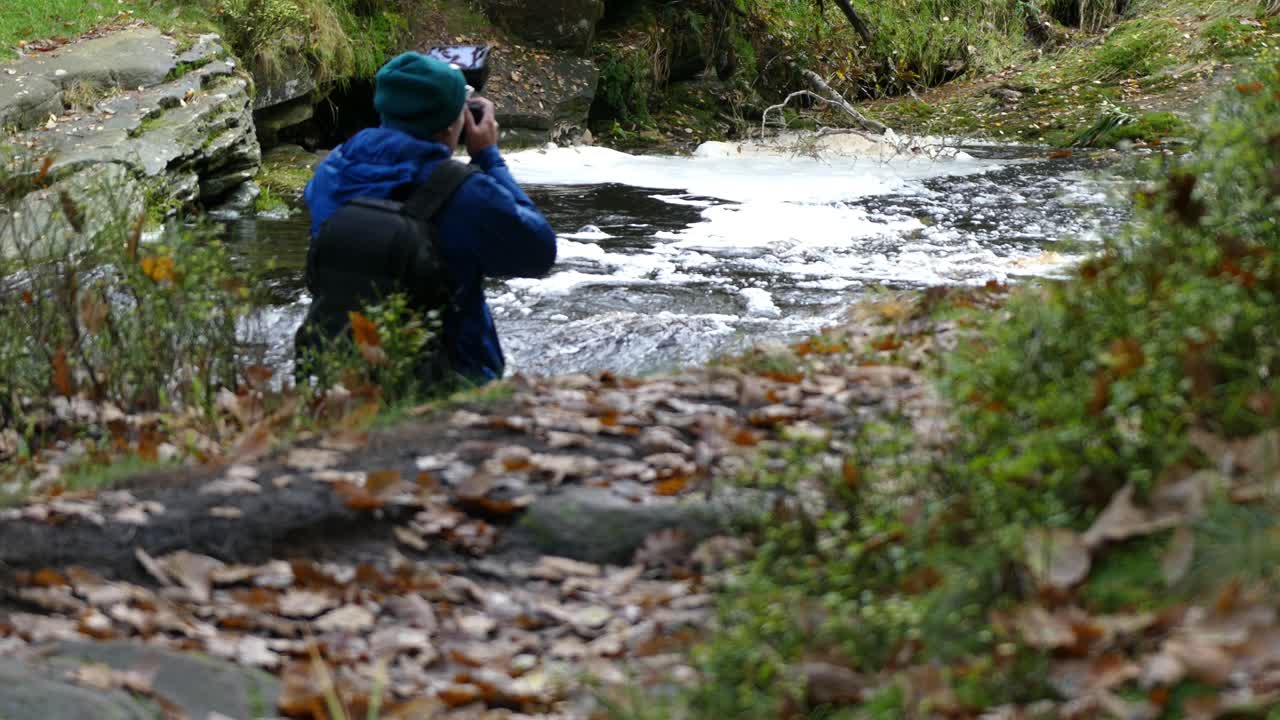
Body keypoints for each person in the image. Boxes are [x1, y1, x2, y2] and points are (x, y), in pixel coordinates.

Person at [300, 51, 557, 385]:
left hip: (341, 373)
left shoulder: (332, 172)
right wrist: (489, 158)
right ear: (455, 123)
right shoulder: (465, 193)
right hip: (447, 380)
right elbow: (539, 252)